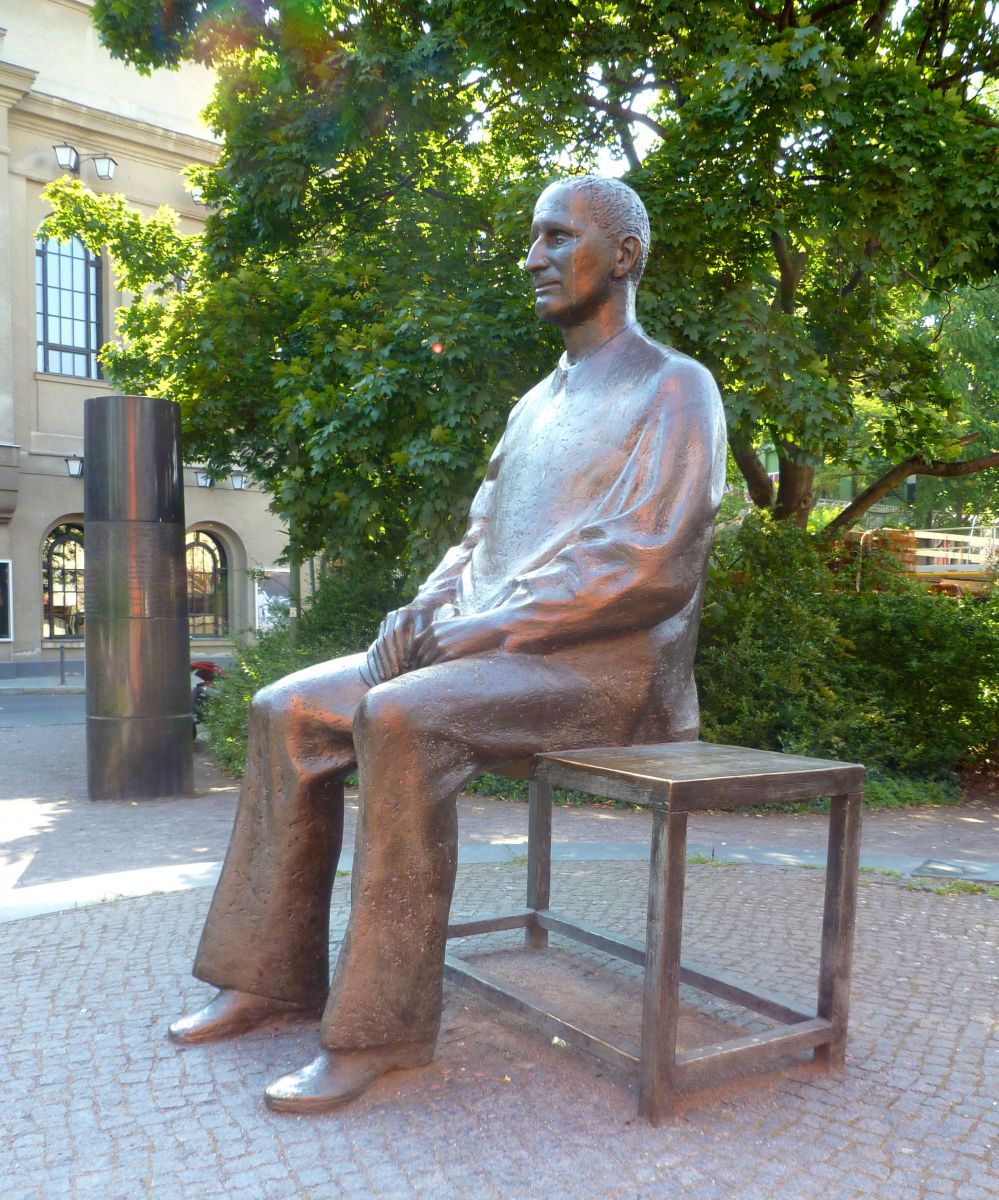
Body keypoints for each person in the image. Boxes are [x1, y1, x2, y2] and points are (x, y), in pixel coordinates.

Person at [168, 174, 727, 1113]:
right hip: (492, 653)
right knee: (287, 709)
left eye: (558, 238)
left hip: (609, 676)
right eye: (533, 239)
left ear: (622, 256)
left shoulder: (674, 386)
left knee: (398, 716)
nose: (533, 258)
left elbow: (652, 559)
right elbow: (476, 542)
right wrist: (423, 614)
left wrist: (484, 628)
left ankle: (378, 1031)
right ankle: (267, 977)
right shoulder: (532, 405)